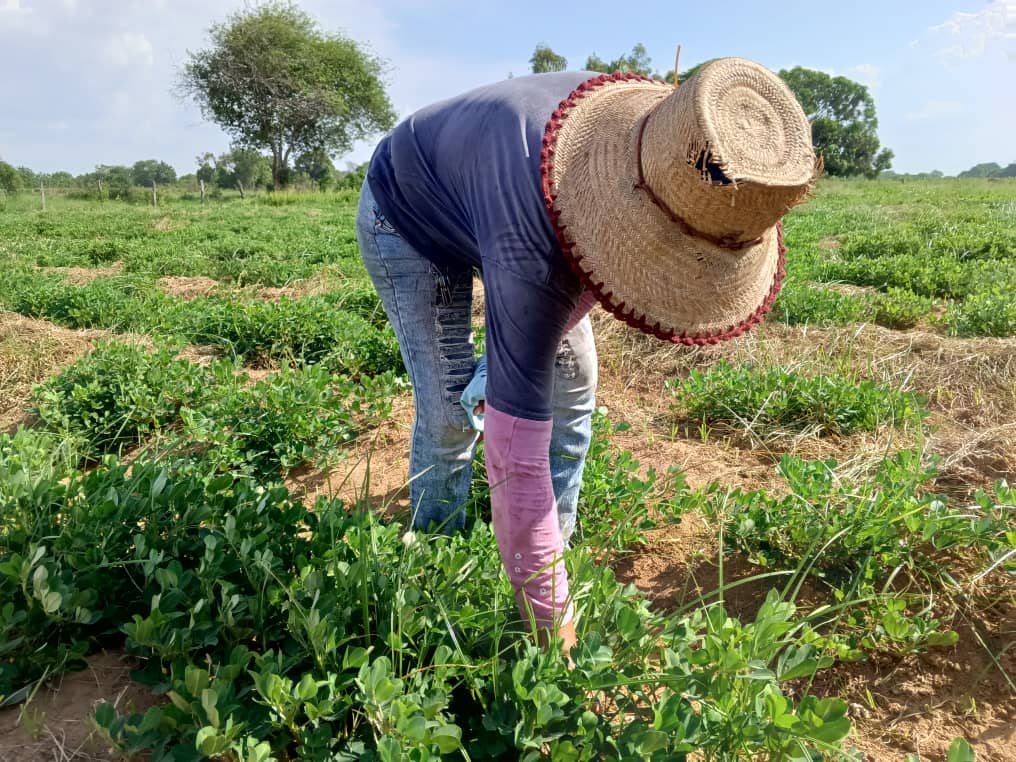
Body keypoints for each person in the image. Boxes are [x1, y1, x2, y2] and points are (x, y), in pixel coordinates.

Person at [356, 58, 818, 655]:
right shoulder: (540, 241)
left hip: (507, 202)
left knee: (573, 387)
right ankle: (437, 566)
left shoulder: (682, 147)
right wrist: (555, 634)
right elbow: (514, 452)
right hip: (408, 214)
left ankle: (553, 542)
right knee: (450, 409)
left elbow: (599, 278)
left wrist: (505, 367)